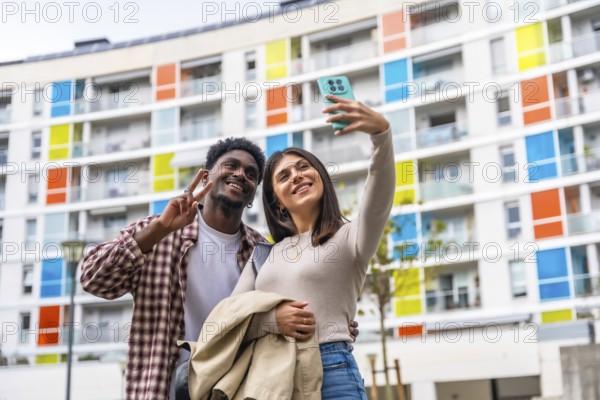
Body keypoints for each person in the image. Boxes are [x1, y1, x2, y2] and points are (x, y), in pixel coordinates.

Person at [80, 138, 315, 400]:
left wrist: (334, 324)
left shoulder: (261, 251)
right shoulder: (159, 231)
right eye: (231, 166)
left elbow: (287, 314)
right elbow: (93, 279)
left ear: (252, 194)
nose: (240, 174)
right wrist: (161, 228)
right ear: (206, 177)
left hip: (232, 390)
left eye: (251, 174)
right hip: (162, 389)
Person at [229, 95, 395, 399]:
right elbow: (230, 321)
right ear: (276, 199)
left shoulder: (350, 238)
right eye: (284, 175)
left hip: (331, 369)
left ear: (320, 176)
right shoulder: (264, 254)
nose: (297, 175)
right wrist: (271, 321)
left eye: (304, 167)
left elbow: (378, 195)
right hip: (270, 377)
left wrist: (381, 136)